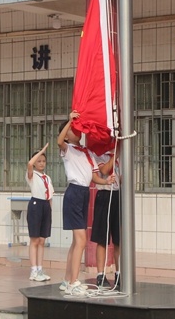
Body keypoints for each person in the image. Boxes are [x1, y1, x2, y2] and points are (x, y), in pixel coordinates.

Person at [57, 111, 115, 295]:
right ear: (67, 135)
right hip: (74, 193)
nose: (78, 131)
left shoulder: (87, 152)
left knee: (76, 242)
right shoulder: (67, 149)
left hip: (84, 193)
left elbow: (94, 177)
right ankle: (73, 282)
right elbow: (59, 141)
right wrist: (70, 121)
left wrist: (106, 181)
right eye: (73, 129)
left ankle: (67, 280)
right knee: (81, 240)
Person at [91, 151, 121, 290]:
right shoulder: (98, 154)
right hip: (104, 195)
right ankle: (101, 275)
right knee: (102, 238)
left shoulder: (121, 156)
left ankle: (119, 273)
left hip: (117, 195)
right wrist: (115, 155)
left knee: (119, 239)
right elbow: (104, 170)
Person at [26, 143, 54, 282]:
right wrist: (41, 150)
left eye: (43, 161)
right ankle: (33, 270)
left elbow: (50, 196)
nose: (41, 163)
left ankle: (40, 269)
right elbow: (29, 164)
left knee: (42, 240)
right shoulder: (32, 175)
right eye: (39, 161)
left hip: (45, 206)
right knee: (35, 239)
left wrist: (50, 210)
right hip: (35, 205)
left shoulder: (47, 177)